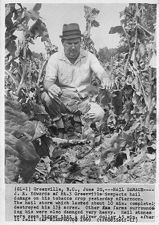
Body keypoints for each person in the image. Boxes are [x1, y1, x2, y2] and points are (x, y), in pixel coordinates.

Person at [41, 23, 113, 137]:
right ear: (63, 43)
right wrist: (50, 86)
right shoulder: (55, 58)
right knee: (46, 97)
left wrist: (106, 78)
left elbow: (100, 71)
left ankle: (78, 123)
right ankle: (60, 127)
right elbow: (47, 81)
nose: (73, 47)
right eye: (69, 43)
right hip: (63, 101)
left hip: (83, 102)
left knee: (99, 114)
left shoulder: (88, 57)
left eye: (76, 43)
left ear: (81, 42)